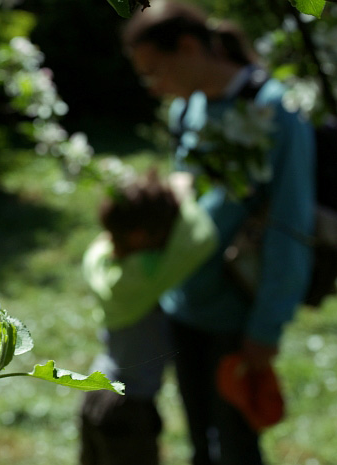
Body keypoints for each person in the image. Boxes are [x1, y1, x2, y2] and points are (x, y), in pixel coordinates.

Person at [121, 2, 316, 464]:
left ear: (188, 47)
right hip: (184, 306)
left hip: (238, 317)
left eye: (155, 71)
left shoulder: (274, 110)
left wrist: (266, 327)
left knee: (237, 446)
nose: (152, 87)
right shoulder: (186, 109)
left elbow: (291, 225)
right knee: (200, 444)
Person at [79, 171, 218, 465]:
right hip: (128, 409)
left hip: (95, 393)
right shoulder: (142, 274)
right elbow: (203, 235)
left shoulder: (101, 260)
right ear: (140, 236)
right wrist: (183, 194)